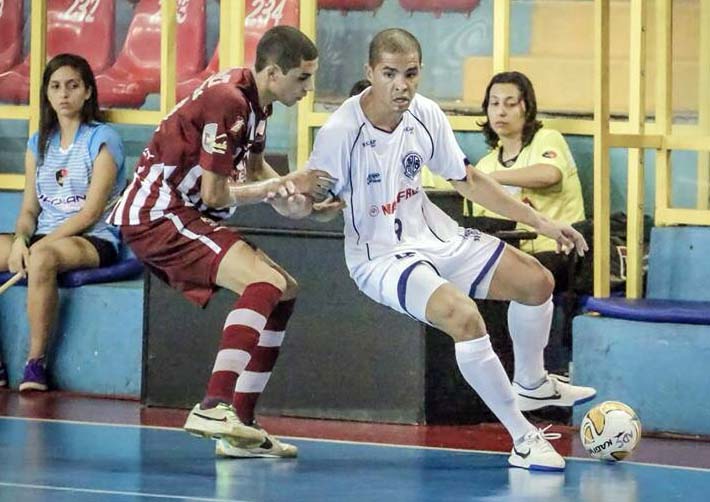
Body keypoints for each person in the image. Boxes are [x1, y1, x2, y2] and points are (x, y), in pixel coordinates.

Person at [305, 28, 596, 471]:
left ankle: (532, 382)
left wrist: (542, 223)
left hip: (436, 237)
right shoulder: (339, 132)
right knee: (463, 316)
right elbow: (314, 206)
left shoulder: (425, 114)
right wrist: (310, 207)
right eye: (389, 74)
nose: (401, 85)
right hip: (381, 259)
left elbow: (470, 180)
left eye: (410, 73)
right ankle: (523, 438)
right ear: (370, 72)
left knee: (537, 282)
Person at [108, 26, 337, 459]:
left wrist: (304, 204)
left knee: (284, 290)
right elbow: (216, 195)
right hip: (158, 214)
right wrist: (291, 181)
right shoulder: (228, 101)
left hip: (185, 213)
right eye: (303, 78)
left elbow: (256, 173)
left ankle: (240, 430)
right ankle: (213, 407)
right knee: (264, 283)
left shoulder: (257, 104)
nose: (308, 88)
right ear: (273, 73)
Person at [0, 53, 125, 392]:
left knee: (42, 258)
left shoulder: (103, 139)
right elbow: (29, 211)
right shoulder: (38, 142)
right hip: (44, 235)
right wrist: (21, 240)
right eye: (55, 86)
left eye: (72, 86)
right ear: (47, 93)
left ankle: (35, 364)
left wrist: (37, 246)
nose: (64, 94)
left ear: (87, 91)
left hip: (92, 238)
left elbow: (90, 213)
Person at [472, 71, 586, 293]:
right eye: (494, 104)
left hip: (557, 251)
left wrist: (492, 179)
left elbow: (549, 175)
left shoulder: (547, 139)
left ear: (527, 107)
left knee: (513, 279)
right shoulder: (485, 164)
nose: (501, 111)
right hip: (512, 254)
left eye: (510, 103)